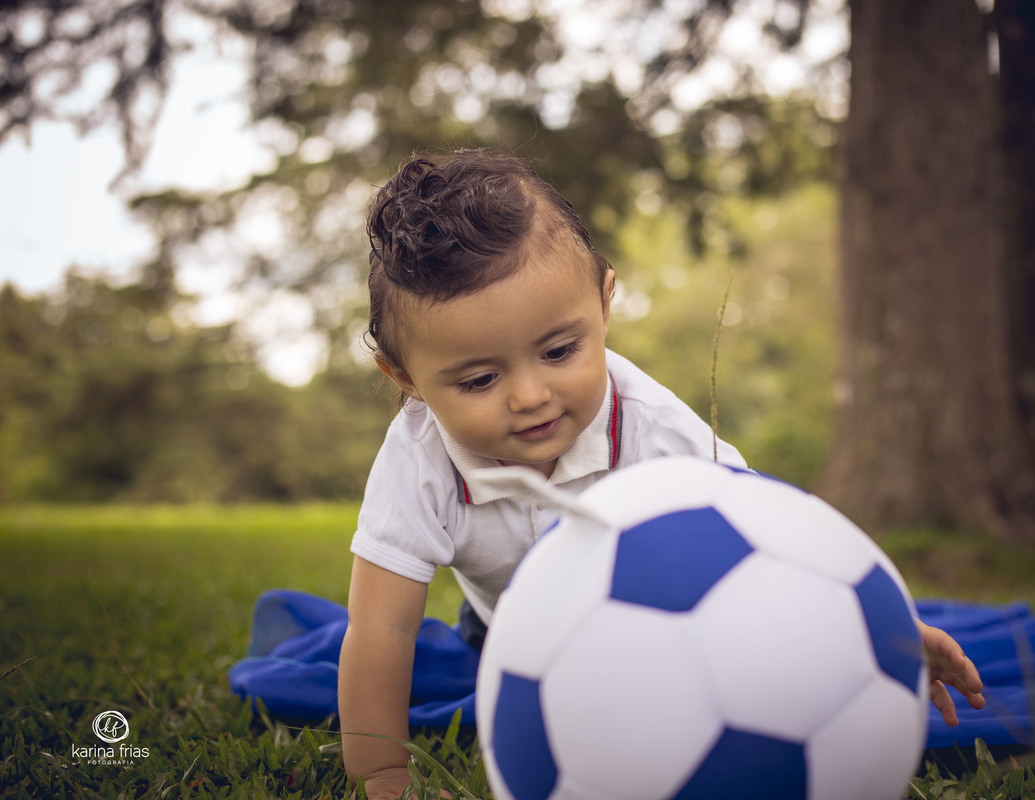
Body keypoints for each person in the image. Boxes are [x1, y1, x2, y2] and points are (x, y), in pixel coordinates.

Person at [338, 149, 986, 799]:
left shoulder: (653, 424)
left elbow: (779, 552)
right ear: (406, 379)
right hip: (513, 627)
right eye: (480, 379)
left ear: (604, 303)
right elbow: (381, 629)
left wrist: (890, 631)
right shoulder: (418, 461)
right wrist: (386, 776)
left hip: (671, 604)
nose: (531, 395)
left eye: (560, 351)